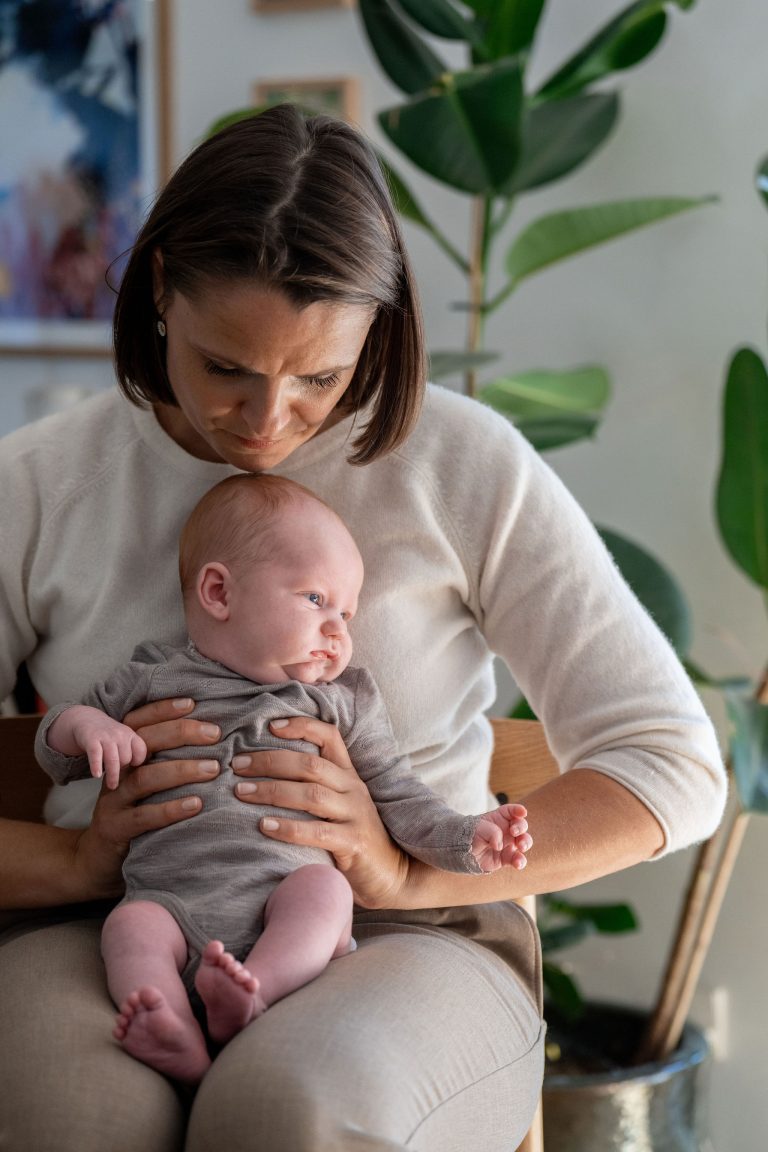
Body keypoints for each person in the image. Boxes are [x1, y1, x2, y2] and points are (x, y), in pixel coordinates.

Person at [0, 104, 726, 1152]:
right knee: (76, 1122)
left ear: (376, 330)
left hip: (411, 937)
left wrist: (405, 872)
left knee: (288, 1114)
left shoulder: (464, 464)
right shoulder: (41, 482)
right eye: (225, 369)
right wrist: (73, 871)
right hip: (107, 923)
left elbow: (673, 763)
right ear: (158, 288)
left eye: (320, 379)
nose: (265, 423)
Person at [35, 473, 532, 1084]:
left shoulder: (342, 700)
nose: (339, 632)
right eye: (316, 600)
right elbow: (55, 752)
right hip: (167, 901)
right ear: (219, 592)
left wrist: (467, 836)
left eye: (347, 613)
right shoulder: (150, 676)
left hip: (285, 894)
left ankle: (253, 994)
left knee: (324, 894)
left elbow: (399, 794)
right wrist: (86, 729)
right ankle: (173, 1028)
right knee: (128, 928)